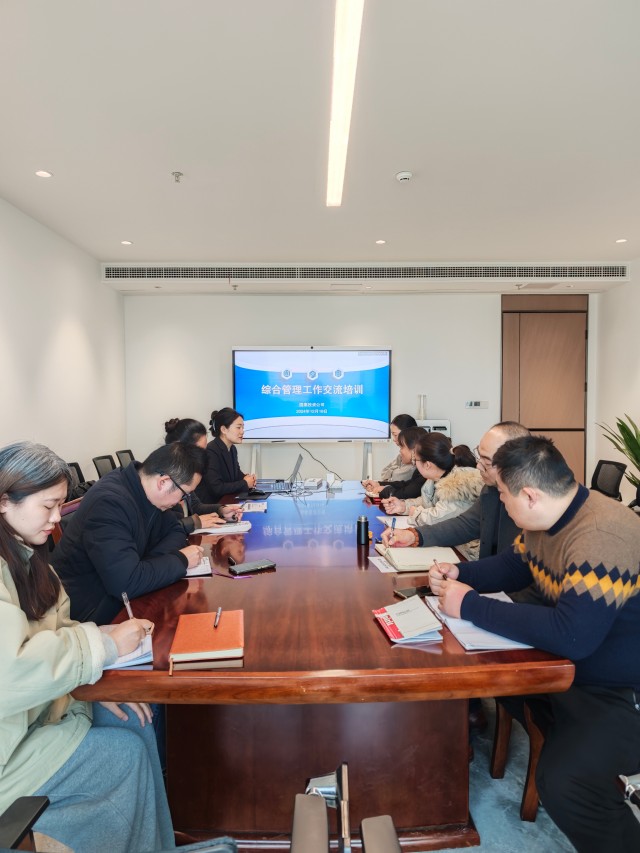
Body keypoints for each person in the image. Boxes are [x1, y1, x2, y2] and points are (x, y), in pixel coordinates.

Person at [429, 435, 640, 853]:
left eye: (503, 494)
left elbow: (572, 635)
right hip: (572, 669)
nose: (500, 502)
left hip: (620, 689)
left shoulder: (603, 534)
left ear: (529, 494)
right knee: (500, 685)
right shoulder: (548, 519)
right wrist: (460, 573)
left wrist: (469, 605)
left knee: (566, 782)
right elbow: (515, 565)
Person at [0, 441, 170, 852]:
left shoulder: (29, 558)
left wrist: (90, 679)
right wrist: (101, 648)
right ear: (4, 502)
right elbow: (11, 672)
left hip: (38, 714)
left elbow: (60, 628)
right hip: (11, 749)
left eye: (61, 505)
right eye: (49, 506)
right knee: (123, 755)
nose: (58, 518)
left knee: (136, 718)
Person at [52, 442, 207, 623]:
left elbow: (176, 530)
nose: (182, 501)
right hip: (90, 613)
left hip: (125, 598)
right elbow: (126, 585)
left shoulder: (149, 494)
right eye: (185, 494)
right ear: (163, 482)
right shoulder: (109, 503)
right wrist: (181, 560)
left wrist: (145, 567)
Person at [381, 421, 529, 552]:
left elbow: (509, 565)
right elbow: (465, 525)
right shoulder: (490, 490)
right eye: (479, 456)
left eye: (486, 460)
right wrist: (413, 535)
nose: (478, 465)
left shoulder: (527, 511)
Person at [381, 433, 482, 539]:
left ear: (427, 465)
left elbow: (439, 518)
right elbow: (427, 501)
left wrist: (416, 513)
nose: (414, 464)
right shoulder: (436, 479)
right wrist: (403, 506)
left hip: (464, 547)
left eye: (415, 460)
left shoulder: (459, 484)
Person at [164, 418, 243, 533]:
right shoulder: (165, 479)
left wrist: (221, 510)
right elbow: (163, 528)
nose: (204, 456)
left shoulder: (187, 472)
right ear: (181, 449)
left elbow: (196, 506)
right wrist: (195, 522)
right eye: (201, 451)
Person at [195, 408, 257, 503]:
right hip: (212, 505)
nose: (242, 432)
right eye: (238, 427)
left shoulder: (232, 449)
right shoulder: (211, 451)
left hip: (227, 501)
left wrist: (248, 479)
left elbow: (236, 475)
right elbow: (217, 488)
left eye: (243, 427)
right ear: (224, 429)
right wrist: (245, 483)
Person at [363, 427, 427, 500]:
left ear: (413, 449)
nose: (400, 451)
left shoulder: (425, 473)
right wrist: (379, 484)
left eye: (402, 447)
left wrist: (386, 490)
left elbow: (408, 493)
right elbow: (406, 484)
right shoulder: (419, 470)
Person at [362, 413, 417, 490]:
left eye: (395, 435)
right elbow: (384, 473)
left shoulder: (415, 464)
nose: (394, 439)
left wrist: (391, 475)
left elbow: (396, 478)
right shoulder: (402, 456)